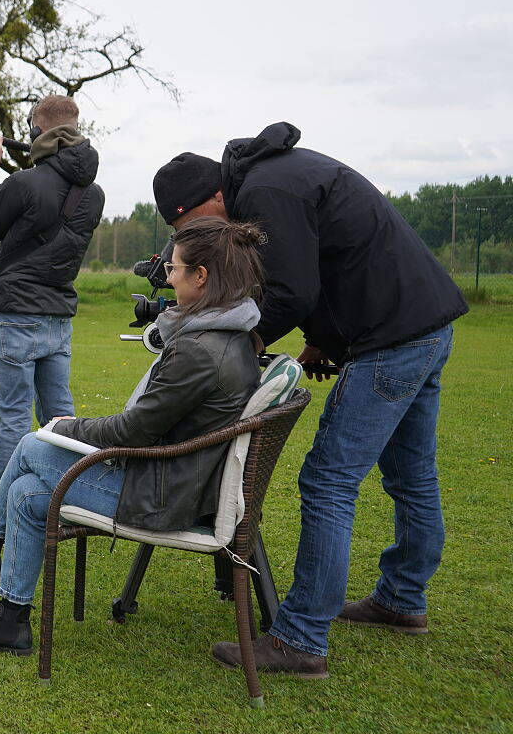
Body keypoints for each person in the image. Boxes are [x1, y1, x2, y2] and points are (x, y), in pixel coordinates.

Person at [152, 122, 469, 678]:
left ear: (218, 196)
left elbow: (293, 291)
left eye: (199, 221)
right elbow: (326, 264)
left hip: (390, 338)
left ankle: (300, 639)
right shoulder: (275, 177)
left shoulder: (267, 191)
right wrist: (322, 339)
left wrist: (238, 340)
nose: (202, 233)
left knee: (328, 480)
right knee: (411, 475)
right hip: (422, 325)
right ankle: (401, 599)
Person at [0, 217, 266, 654]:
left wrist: (67, 427)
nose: (167, 277)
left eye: (174, 269)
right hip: (179, 479)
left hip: (163, 496)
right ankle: (10, 621)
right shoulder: (233, 335)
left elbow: (133, 430)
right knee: (27, 493)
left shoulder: (201, 350)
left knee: (34, 443)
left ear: (200, 277)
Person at [0, 95, 105, 536]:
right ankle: (70, 505)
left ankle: (2, 524)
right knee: (62, 418)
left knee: (15, 422)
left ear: (38, 131)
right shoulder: (94, 194)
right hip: (58, 319)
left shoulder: (25, 182)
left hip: (15, 317)